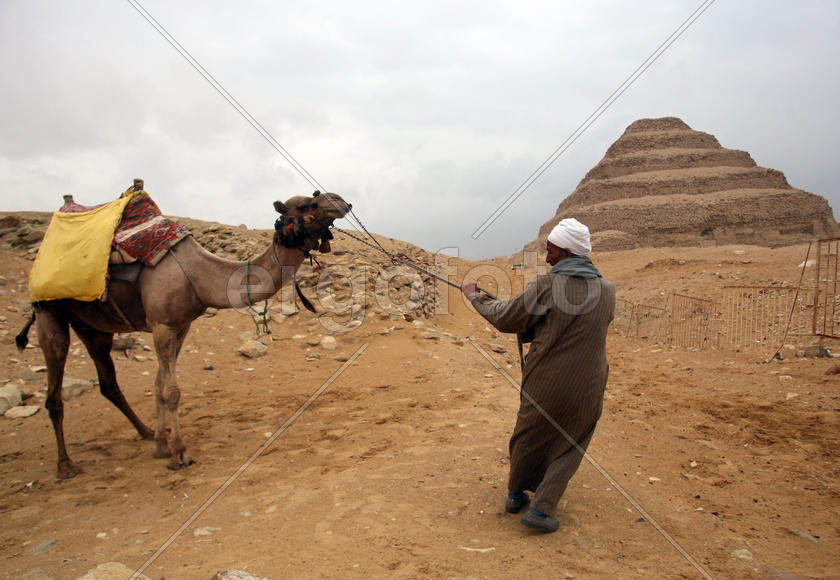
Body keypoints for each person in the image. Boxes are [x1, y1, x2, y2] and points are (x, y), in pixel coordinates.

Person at [461, 218, 615, 532]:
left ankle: (517, 495)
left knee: (527, 435)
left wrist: (476, 296)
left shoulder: (546, 285)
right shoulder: (608, 290)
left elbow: (506, 318)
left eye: (552, 252)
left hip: (547, 380)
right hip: (590, 382)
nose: (547, 258)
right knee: (572, 440)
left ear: (569, 252)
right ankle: (543, 508)